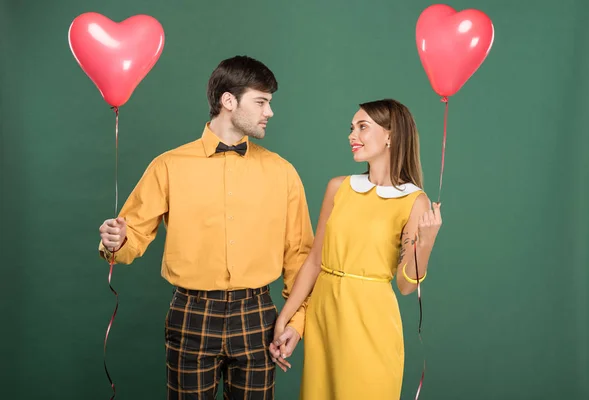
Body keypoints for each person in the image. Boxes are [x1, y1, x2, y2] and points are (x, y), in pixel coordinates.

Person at [97, 55, 314, 400]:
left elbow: (300, 255)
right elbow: (131, 235)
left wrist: (296, 323)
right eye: (261, 102)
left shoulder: (283, 172)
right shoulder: (168, 166)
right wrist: (116, 241)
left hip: (258, 314)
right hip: (191, 314)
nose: (269, 112)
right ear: (229, 101)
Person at [268, 99, 443, 399]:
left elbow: (404, 284)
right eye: (351, 128)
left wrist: (425, 244)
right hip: (325, 315)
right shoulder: (338, 187)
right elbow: (313, 261)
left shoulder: (414, 201)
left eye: (363, 127)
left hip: (370, 320)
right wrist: (285, 318)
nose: (352, 135)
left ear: (391, 135)